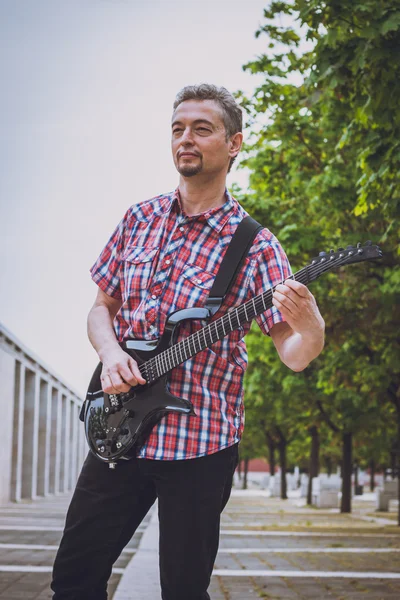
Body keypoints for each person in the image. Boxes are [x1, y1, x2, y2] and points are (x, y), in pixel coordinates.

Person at [51, 83, 325, 600]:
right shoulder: (138, 219)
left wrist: (310, 326)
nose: (186, 139)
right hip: (120, 430)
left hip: (202, 443)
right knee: (73, 578)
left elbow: (292, 352)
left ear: (235, 143)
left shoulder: (256, 245)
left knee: (182, 590)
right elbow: (100, 310)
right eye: (178, 129)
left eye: (202, 129)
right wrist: (110, 354)